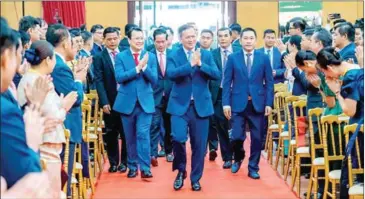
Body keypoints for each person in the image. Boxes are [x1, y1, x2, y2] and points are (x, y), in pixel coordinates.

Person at [17, 40, 77, 198]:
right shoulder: (38, 81)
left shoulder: (31, 77)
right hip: (46, 143)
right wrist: (65, 106)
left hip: (42, 142)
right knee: (53, 193)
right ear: (48, 60)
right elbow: (53, 116)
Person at [166, 24, 220, 191]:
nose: (191, 39)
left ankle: (196, 178)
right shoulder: (174, 54)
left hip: (201, 106)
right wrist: (189, 64)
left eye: (193, 36)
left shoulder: (206, 54)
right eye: (187, 37)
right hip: (179, 105)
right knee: (178, 138)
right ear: (180, 38)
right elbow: (171, 74)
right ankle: (181, 171)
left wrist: (201, 64)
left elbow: (217, 74)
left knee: (199, 145)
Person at [222, 27, 274, 179]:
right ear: (241, 40)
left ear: (256, 40)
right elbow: (226, 82)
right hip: (237, 103)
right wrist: (226, 103)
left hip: (257, 103)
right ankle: (238, 156)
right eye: (245, 38)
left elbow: (269, 83)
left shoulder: (263, 57)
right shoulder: (233, 58)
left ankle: (253, 167)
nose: (248, 41)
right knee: (236, 136)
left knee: (257, 138)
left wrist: (269, 103)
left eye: (251, 38)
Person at [47, 23, 88, 197]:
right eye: (72, 41)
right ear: (64, 43)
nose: (75, 46)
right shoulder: (60, 67)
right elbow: (75, 99)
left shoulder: (60, 64)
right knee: (64, 180)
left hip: (65, 127)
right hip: (65, 127)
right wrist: (78, 80)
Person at [316, 47, 363, 198]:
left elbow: (349, 110)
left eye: (324, 72)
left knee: (356, 172)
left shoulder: (350, 77)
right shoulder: (358, 68)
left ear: (329, 67)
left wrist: (336, 91)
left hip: (359, 126)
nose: (326, 76)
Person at [113, 27, 157, 179]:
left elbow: (155, 80)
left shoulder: (150, 56)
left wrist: (144, 67)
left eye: (141, 38)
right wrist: (137, 68)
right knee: (129, 136)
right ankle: (132, 166)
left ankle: (145, 168)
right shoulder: (121, 57)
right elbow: (119, 77)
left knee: (143, 134)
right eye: (136, 38)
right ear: (129, 40)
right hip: (127, 103)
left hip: (145, 103)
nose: (139, 41)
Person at [93, 27, 128, 173]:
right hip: (110, 99)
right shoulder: (99, 57)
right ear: (104, 40)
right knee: (111, 132)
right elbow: (99, 81)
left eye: (115, 38)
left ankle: (125, 162)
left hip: (126, 99)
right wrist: (104, 101)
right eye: (109, 39)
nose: (112, 42)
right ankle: (114, 162)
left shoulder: (126, 54)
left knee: (126, 131)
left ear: (119, 38)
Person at [208, 27, 240, 166]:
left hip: (237, 93)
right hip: (219, 93)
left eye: (225, 35)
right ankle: (227, 157)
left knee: (237, 125)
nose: (223, 38)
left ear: (231, 37)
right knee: (221, 126)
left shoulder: (239, 53)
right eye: (220, 36)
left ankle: (238, 154)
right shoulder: (212, 54)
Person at [149, 28, 174, 165]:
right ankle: (153, 154)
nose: (160, 44)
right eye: (157, 42)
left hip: (171, 96)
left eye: (163, 41)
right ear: (153, 41)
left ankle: (169, 151)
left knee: (170, 125)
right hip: (154, 96)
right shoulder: (149, 55)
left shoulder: (173, 55)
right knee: (154, 125)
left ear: (167, 40)